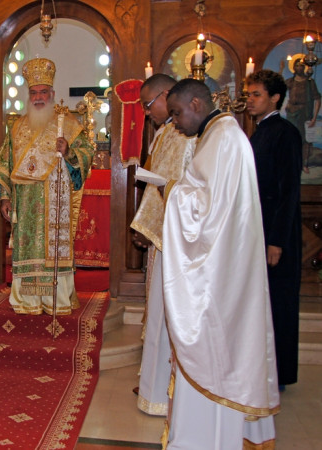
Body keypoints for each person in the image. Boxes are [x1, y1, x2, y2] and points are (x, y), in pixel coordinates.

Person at [162, 78, 279, 449]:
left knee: (214, 348)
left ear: (196, 103)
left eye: (178, 113)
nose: (176, 122)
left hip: (219, 276)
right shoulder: (220, 136)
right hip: (225, 265)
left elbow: (204, 213)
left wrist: (173, 191)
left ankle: (207, 439)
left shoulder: (224, 139)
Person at [0, 58, 95, 315]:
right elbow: (4, 163)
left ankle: (56, 298)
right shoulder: (17, 127)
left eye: (43, 92)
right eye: (33, 92)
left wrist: (68, 152)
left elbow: (86, 153)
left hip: (56, 198)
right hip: (24, 200)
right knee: (26, 246)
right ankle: (27, 300)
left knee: (54, 247)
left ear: (52, 94)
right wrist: (4, 196)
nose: (38, 97)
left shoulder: (66, 123)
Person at [130, 74, 195, 416]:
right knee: (155, 315)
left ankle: (167, 390)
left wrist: (148, 224)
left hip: (178, 241)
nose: (146, 111)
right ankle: (154, 385)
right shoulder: (164, 134)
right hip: (160, 236)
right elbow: (158, 188)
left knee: (167, 316)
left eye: (148, 103)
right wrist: (144, 225)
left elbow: (183, 188)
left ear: (166, 96)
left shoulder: (188, 137)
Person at [247, 69, 302, 390]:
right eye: (249, 95)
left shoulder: (285, 133)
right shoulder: (261, 131)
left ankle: (279, 375)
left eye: (256, 95)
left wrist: (276, 241)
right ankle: (263, 369)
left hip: (277, 234)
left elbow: (288, 191)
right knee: (262, 302)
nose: (250, 101)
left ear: (275, 98)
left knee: (279, 302)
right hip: (260, 230)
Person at [284, 57, 321, 172]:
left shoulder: (309, 82)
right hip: (291, 113)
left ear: (304, 67)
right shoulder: (291, 81)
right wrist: (280, 70)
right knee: (290, 139)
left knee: (304, 139)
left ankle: (304, 164)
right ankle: (290, 163)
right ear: (294, 67)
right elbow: (278, 88)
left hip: (304, 113)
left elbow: (317, 99)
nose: (299, 67)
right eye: (297, 65)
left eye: (301, 65)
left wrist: (314, 118)